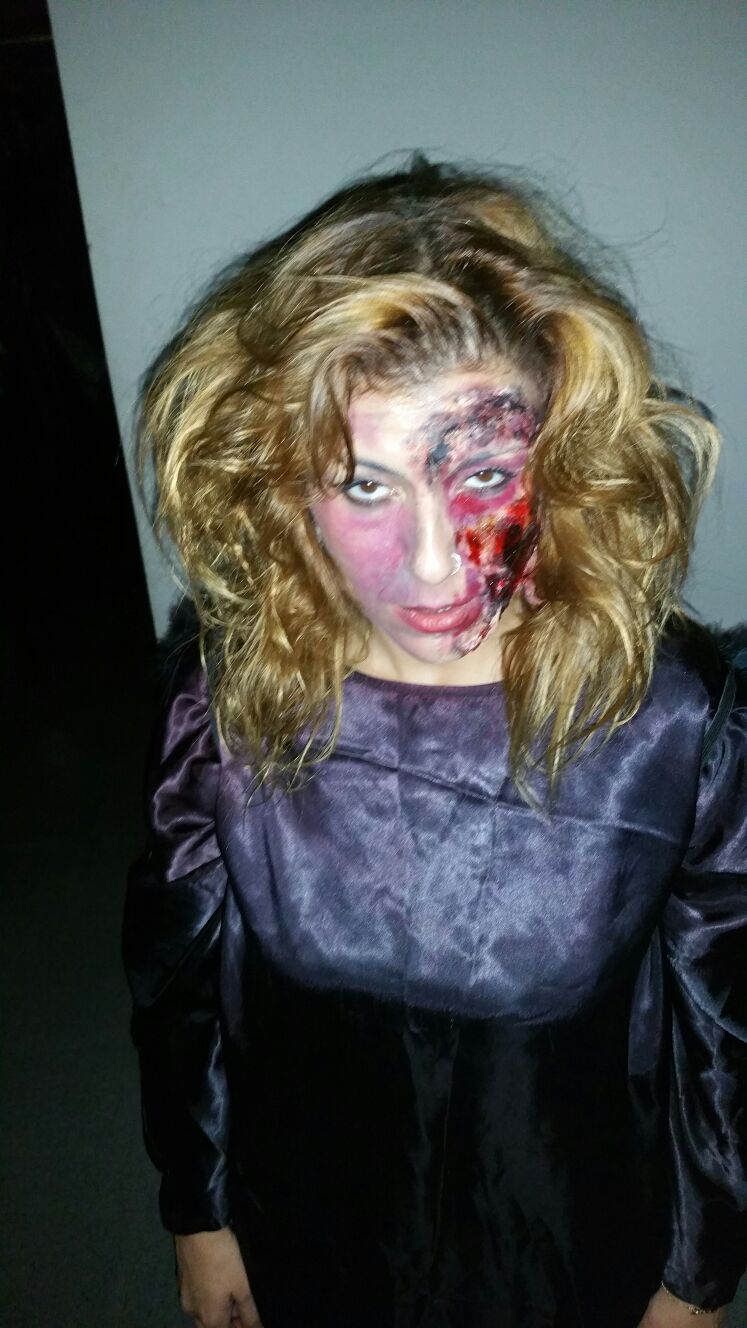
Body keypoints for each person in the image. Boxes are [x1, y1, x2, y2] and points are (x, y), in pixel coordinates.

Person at [123, 157, 746, 1328]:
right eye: (363, 483)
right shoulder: (228, 707)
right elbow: (179, 990)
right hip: (314, 1230)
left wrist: (695, 1279)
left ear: (559, 460)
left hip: (566, 1248)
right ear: (285, 485)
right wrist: (197, 1214)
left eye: (485, 473)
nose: (428, 561)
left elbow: (727, 1030)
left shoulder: (673, 725)